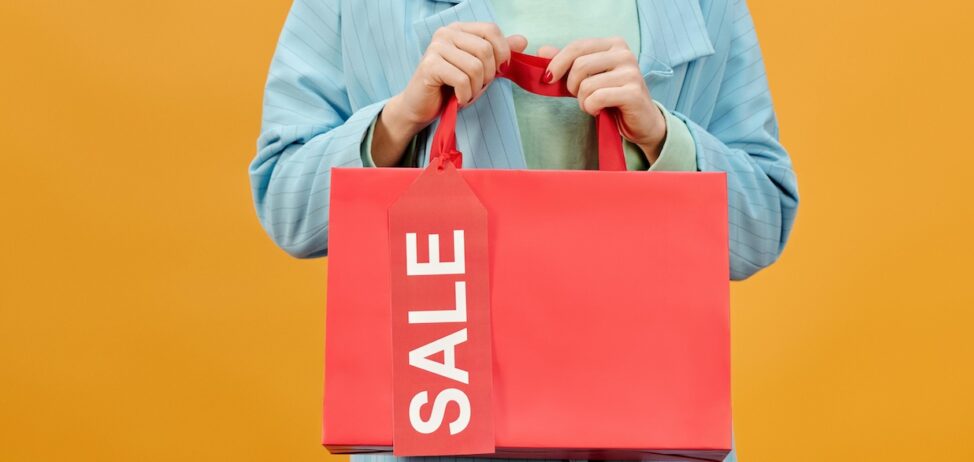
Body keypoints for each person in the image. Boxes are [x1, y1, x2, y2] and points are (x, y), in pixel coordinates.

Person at [250, 1, 799, 461]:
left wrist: (660, 139)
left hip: (647, 431)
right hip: (442, 417)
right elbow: (286, 205)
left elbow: (762, 227)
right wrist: (398, 122)